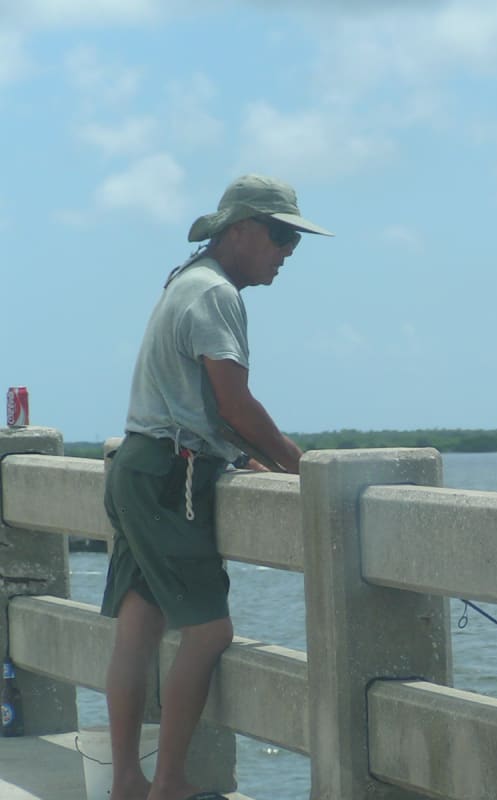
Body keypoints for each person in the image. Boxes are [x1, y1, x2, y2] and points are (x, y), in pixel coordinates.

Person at [100, 174, 333, 800]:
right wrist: (304, 470)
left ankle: (127, 781)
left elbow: (205, 407)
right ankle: (169, 782)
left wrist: (243, 458)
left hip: (140, 467)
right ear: (240, 231)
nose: (288, 251)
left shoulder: (187, 278)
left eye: (294, 240)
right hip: (171, 477)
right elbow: (234, 403)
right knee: (209, 633)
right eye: (282, 235)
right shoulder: (216, 294)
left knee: (138, 628)